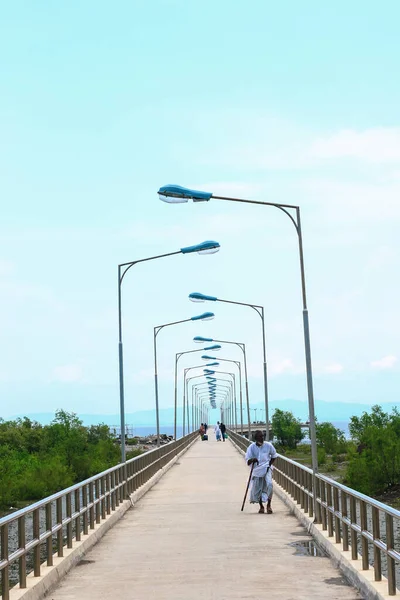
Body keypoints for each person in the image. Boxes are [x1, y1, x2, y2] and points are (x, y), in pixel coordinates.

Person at [245, 430, 277, 514]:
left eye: (263, 436)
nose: (262, 438)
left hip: (266, 468)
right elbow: (247, 461)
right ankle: (261, 507)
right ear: (255, 438)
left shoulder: (268, 445)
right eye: (260, 436)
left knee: (269, 484)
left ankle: (269, 505)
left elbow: (274, 456)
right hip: (257, 470)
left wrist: (269, 465)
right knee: (258, 488)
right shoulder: (251, 447)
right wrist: (252, 459)